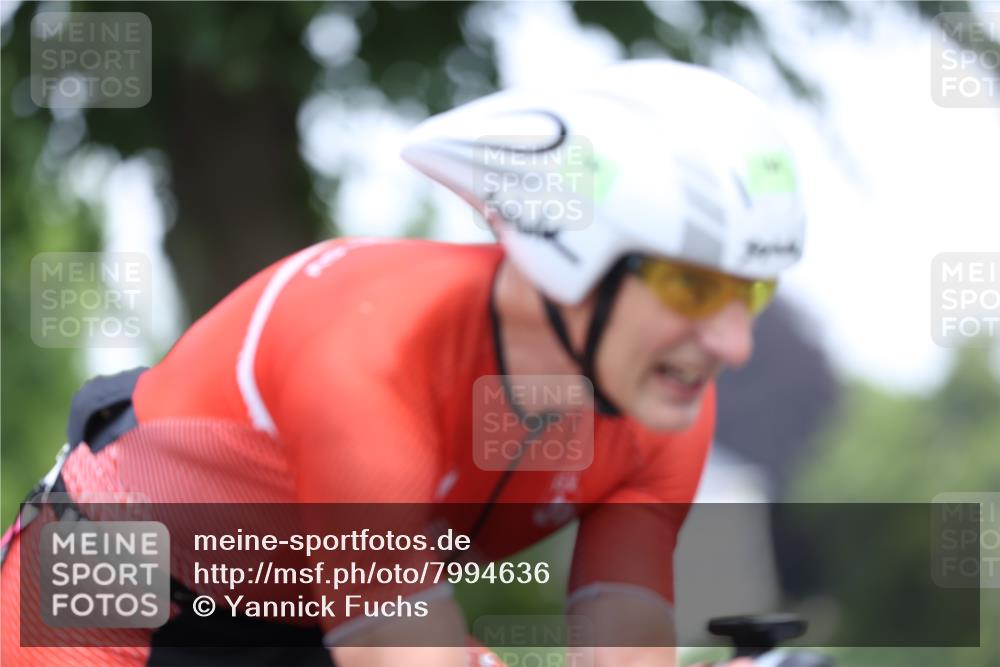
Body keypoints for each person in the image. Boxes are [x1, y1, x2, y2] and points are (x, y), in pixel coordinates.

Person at [1, 59, 805, 667]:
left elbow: (620, 643)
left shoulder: (667, 400)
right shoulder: (367, 348)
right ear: (571, 254)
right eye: (690, 285)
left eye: (753, 291)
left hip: (313, 625)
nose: (733, 344)